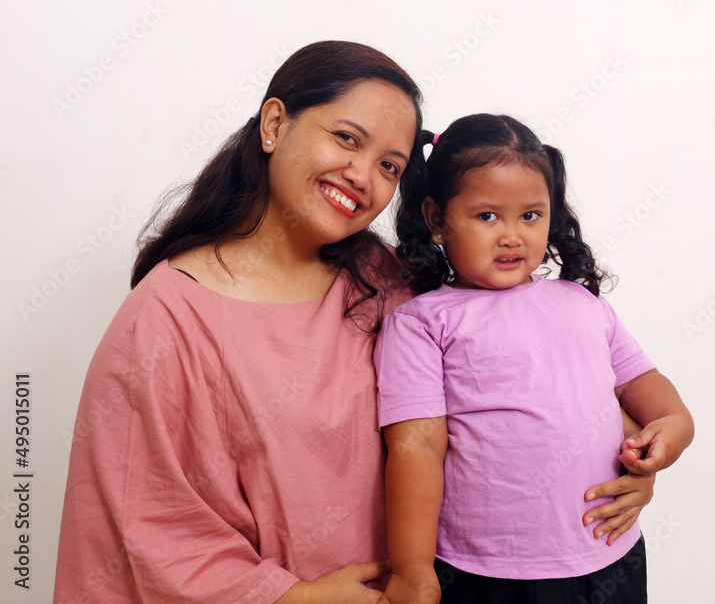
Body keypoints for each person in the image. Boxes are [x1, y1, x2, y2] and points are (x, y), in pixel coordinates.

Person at [54, 43, 657, 604]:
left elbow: (531, 386)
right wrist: (291, 597)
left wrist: (628, 468)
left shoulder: (385, 280)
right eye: (346, 138)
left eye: (389, 165)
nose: (363, 177)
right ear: (274, 124)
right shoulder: (166, 317)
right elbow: (144, 521)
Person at [374, 114, 695, 604]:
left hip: (610, 551)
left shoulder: (582, 303)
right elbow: (415, 449)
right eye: (487, 216)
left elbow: (642, 385)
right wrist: (413, 570)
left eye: (530, 215)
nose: (512, 236)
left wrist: (672, 428)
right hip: (486, 572)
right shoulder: (422, 323)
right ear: (437, 219)